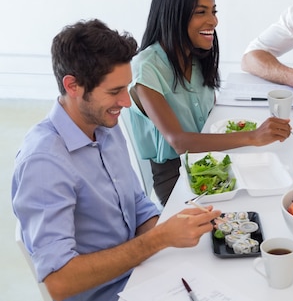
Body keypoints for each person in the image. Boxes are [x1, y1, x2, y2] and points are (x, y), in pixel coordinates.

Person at [11, 20, 221, 301]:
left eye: (126, 88)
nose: (126, 102)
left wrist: (177, 226)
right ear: (72, 86)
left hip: (144, 274)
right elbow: (59, 282)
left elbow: (137, 206)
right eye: (114, 92)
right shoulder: (44, 163)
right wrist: (159, 239)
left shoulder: (104, 127)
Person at [129, 0, 291, 206]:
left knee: (277, 186)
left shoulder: (196, 56)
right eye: (201, 12)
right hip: (175, 174)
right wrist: (253, 137)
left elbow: (210, 115)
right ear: (174, 15)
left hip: (210, 158)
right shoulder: (146, 67)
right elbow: (179, 142)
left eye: (213, 12)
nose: (213, 21)